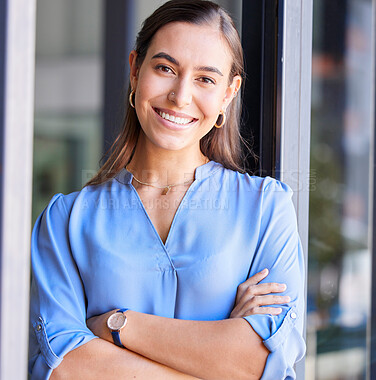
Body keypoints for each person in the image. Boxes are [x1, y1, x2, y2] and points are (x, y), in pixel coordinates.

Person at [28, 1, 306, 379]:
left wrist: (117, 326)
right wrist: (220, 355)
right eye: (165, 68)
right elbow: (66, 368)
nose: (180, 95)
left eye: (205, 79)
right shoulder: (66, 221)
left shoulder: (266, 209)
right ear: (134, 70)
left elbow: (263, 360)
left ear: (228, 93)